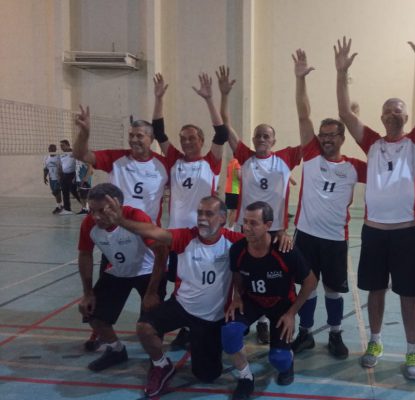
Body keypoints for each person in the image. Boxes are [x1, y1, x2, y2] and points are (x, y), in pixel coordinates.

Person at [334, 26, 415, 379]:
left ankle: (412, 351)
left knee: (409, 295)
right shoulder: (372, 143)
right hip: (374, 232)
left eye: (399, 110)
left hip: (406, 232)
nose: (393, 113)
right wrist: (341, 73)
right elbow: (345, 113)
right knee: (375, 291)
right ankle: (375, 341)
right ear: (381, 117)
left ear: (406, 117)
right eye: (388, 110)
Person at [103, 195, 243, 397]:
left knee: (207, 375)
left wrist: (282, 237)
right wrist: (121, 221)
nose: (202, 218)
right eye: (200, 213)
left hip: (212, 317)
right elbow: (154, 231)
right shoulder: (186, 237)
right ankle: (162, 365)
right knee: (144, 328)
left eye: (209, 214)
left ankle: (200, 342)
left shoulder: (234, 242)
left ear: (222, 218)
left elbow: (262, 242)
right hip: (182, 306)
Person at [289, 49, 366, 359]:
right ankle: (305, 333)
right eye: (322, 135)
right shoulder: (310, 156)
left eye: (331, 135)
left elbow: (384, 177)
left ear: (342, 137)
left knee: (333, 290)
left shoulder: (354, 167)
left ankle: (335, 334)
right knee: (306, 286)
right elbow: (303, 114)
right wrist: (300, 80)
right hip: (306, 235)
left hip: (335, 238)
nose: (325, 139)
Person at [217, 65, 301, 344]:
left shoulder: (286, 158)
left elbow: (309, 139)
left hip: (276, 231)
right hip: (249, 229)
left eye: (267, 136)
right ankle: (258, 320)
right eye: (258, 135)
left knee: (276, 278)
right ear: (253, 140)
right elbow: (226, 126)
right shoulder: (245, 156)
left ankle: (276, 318)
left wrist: (299, 83)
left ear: (274, 140)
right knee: (249, 275)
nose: (262, 139)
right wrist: (224, 95)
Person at [151, 72, 228, 348]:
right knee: (178, 280)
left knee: (199, 281)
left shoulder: (211, 161)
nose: (186, 142)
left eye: (192, 138)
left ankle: (204, 322)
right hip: (176, 235)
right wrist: (159, 99)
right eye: (183, 138)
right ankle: (182, 325)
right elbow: (158, 131)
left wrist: (209, 99)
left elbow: (222, 133)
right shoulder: (174, 160)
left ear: (201, 140)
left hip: (202, 235)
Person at [222, 201, 317, 400]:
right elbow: (237, 274)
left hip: (281, 306)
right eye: (245, 222)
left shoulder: (285, 250)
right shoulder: (238, 249)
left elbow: (311, 282)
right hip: (252, 301)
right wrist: (237, 296)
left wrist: (291, 314)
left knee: (279, 359)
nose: (247, 228)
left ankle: (288, 360)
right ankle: (246, 377)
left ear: (268, 225)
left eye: (253, 223)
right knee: (229, 332)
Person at [77, 183, 167, 372]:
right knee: (92, 313)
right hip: (118, 271)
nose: (96, 217)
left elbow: (161, 252)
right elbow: (85, 254)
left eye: (102, 211)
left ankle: (158, 361)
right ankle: (116, 349)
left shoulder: (135, 217)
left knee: (150, 324)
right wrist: (88, 293)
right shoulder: (89, 224)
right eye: (92, 211)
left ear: (117, 206)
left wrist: (152, 291)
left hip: (148, 271)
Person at [73, 106, 169, 226]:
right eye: (131, 135)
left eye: (139, 136)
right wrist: (84, 134)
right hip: (118, 227)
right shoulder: (116, 158)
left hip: (148, 230)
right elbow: (81, 155)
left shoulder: (164, 164)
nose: (134, 140)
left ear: (152, 138)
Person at [59, 139, 83, 215]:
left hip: (72, 174)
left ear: (68, 145)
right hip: (64, 175)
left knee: (74, 192)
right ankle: (67, 209)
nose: (61, 147)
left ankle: (85, 207)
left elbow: (78, 164)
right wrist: (60, 176)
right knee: (64, 192)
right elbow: (61, 165)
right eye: (60, 146)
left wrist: (76, 176)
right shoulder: (61, 154)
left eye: (62, 145)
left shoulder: (74, 153)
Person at [43, 144, 63, 214]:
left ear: (55, 149)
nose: (51, 150)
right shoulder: (46, 157)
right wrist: (44, 177)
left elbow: (62, 167)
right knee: (55, 193)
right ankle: (59, 206)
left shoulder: (59, 157)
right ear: (48, 149)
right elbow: (46, 168)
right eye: (50, 149)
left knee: (57, 192)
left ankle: (60, 207)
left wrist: (60, 177)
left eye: (53, 149)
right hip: (51, 178)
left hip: (58, 178)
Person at [225, 157, 242, 228]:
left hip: (228, 189)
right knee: (235, 211)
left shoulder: (230, 163)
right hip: (235, 190)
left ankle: (227, 227)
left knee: (230, 210)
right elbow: (239, 176)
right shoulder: (238, 163)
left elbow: (228, 175)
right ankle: (230, 229)